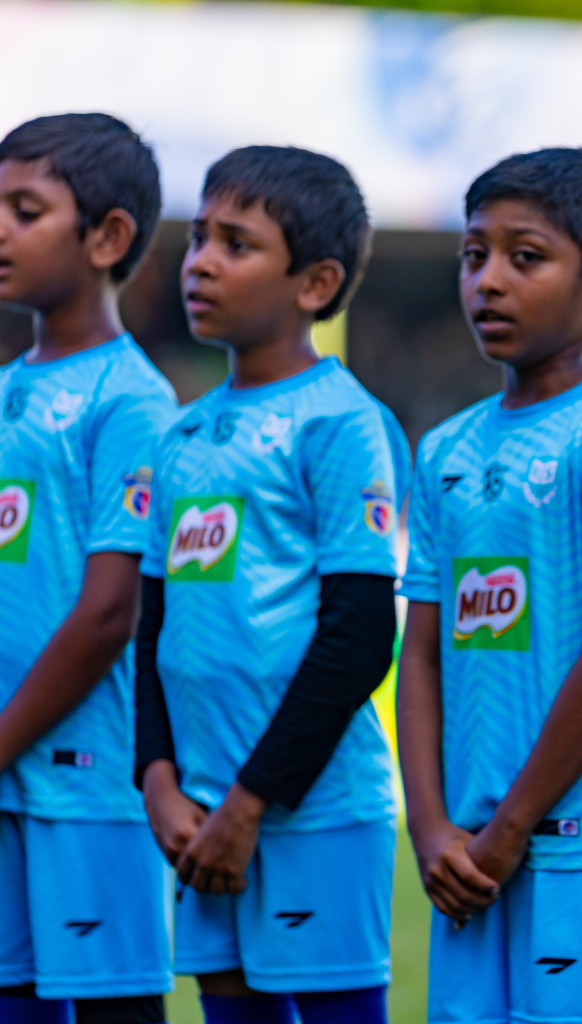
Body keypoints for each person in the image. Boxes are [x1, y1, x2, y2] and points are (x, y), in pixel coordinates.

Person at [396, 147, 582, 1024]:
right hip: (470, 850)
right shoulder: (442, 450)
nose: (489, 281)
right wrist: (432, 826)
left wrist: (513, 825)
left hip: (577, 843)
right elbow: (424, 656)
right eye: (474, 255)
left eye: (526, 257)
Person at [133, 146, 406, 1024]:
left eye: (237, 244)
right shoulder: (181, 437)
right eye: (199, 237)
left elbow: (361, 632)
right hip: (201, 816)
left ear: (316, 283)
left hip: (308, 813)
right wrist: (159, 781)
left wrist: (250, 803)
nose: (201, 260)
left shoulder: (341, 423)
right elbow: (152, 629)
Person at [0, 113, 177, 1024]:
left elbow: (111, 612)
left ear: (106, 237)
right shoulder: (5, 390)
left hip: (87, 780)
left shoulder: (133, 401)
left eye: (24, 209)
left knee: (112, 1009)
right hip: (3, 777)